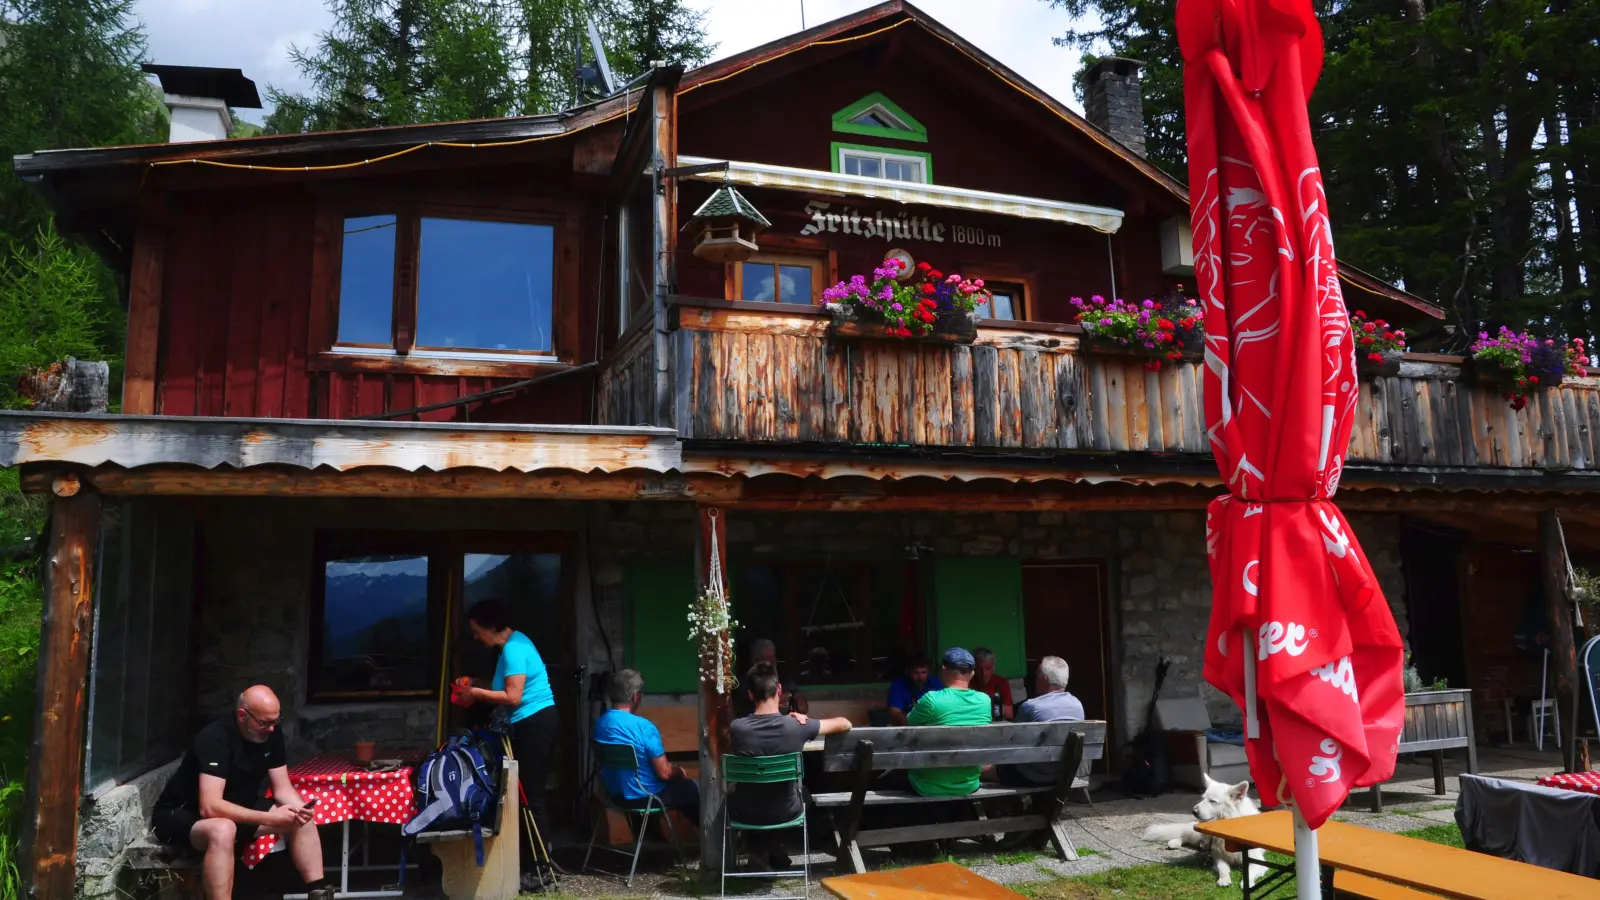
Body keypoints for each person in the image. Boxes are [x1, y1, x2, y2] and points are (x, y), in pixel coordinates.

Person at [151, 686, 331, 900]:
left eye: (276, 721)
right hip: (184, 812)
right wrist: (270, 817)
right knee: (223, 829)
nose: (271, 729)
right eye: (263, 723)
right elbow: (209, 806)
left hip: (241, 807)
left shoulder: (271, 732)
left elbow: (282, 788)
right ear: (242, 716)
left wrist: (299, 811)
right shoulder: (215, 737)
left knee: (300, 817)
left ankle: (318, 892)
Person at [462, 598, 559, 891]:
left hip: (536, 724)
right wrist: (474, 683)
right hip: (529, 724)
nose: (476, 637)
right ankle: (534, 860)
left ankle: (540, 868)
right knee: (525, 795)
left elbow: (513, 697)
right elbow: (503, 688)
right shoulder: (511, 647)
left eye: (478, 631)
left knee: (532, 797)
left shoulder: (515, 649)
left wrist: (476, 693)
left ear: (492, 626)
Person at [729, 661, 852, 870]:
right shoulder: (796, 725)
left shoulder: (737, 728)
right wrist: (801, 718)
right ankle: (779, 849)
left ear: (750, 695)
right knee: (803, 792)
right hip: (787, 811)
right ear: (779, 690)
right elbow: (845, 723)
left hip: (745, 812)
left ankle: (765, 851)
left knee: (754, 795)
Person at [593, 669, 700, 821]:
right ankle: (713, 841)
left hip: (614, 795)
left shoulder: (600, 724)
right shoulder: (643, 727)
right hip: (646, 797)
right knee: (692, 788)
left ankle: (647, 835)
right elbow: (665, 773)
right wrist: (680, 772)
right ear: (635, 697)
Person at [904, 648, 991, 796]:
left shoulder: (931, 699)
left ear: (943, 669)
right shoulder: (985, 701)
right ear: (972, 673)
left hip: (928, 785)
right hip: (969, 783)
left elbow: (908, 724)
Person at [993, 656, 1086, 787]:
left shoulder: (1031, 706)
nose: (1035, 680)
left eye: (1037, 676)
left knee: (985, 769)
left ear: (1044, 679)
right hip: (1064, 774)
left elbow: (1012, 740)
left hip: (1032, 775)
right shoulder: (1078, 705)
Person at [732, 638, 808, 718]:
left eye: (773, 657)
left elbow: (802, 707)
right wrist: (776, 700)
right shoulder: (746, 683)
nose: (771, 662)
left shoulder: (782, 677)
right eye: (766, 658)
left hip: (782, 725)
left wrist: (797, 697)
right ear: (754, 661)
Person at [886, 652, 943, 726]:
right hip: (907, 727)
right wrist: (908, 721)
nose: (920, 677)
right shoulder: (899, 685)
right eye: (916, 673)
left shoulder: (935, 683)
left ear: (928, 672)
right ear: (908, 672)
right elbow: (895, 712)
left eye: (924, 672)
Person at [971, 647, 1014, 721]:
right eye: (979, 669)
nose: (983, 673)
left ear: (993, 667)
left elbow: (1009, 714)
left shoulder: (1001, 682)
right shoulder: (968, 682)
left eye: (987, 669)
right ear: (973, 668)